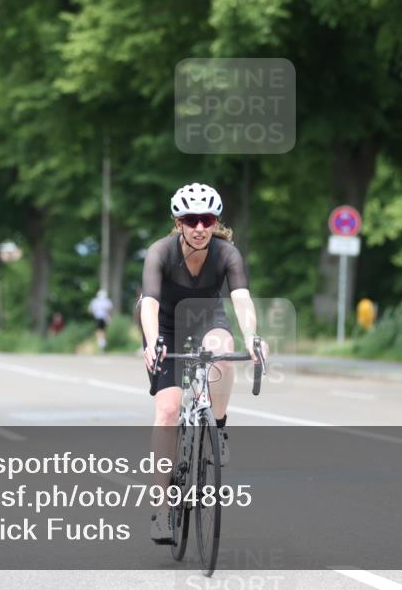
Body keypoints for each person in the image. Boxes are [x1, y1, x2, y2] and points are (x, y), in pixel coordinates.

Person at [137, 182, 267, 544]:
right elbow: (148, 302)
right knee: (167, 410)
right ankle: (162, 510)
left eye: (206, 219)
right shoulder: (160, 252)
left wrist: (252, 338)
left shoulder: (227, 254)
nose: (199, 227)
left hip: (207, 320)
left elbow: (241, 299)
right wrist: (151, 343)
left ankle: (219, 425)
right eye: (191, 219)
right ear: (178, 222)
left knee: (223, 351)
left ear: (215, 222)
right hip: (164, 325)